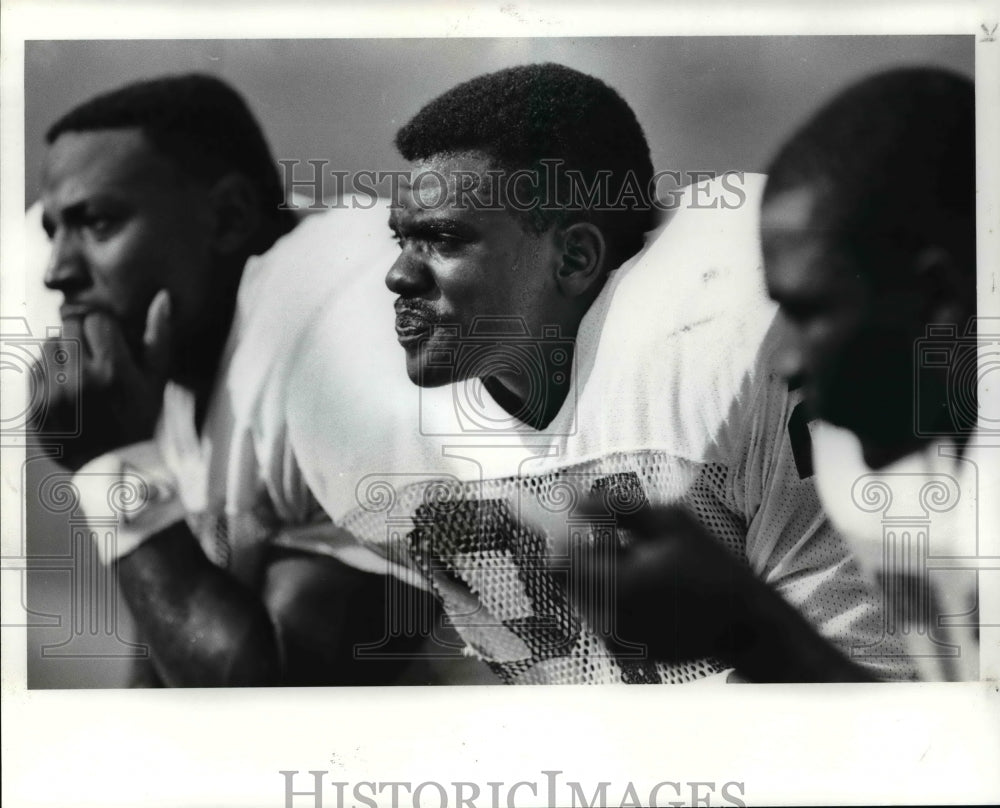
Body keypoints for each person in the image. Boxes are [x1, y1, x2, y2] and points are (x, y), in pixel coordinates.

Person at [287, 63, 916, 683]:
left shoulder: (727, 348)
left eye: (445, 239)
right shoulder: (361, 408)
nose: (398, 276)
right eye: (401, 239)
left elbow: (866, 701)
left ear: (576, 257)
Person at [29, 73, 454, 687]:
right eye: (53, 231)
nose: (57, 271)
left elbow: (274, 713)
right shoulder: (177, 352)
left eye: (96, 223)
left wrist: (113, 466)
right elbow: (170, 653)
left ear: (228, 216)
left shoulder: (335, 325)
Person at [760, 67, 988, 680]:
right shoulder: (865, 458)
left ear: (939, 297)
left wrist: (751, 628)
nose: (783, 363)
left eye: (809, 312)